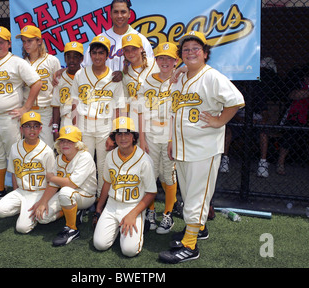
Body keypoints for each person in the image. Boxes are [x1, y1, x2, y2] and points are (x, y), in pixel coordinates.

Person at [159, 31, 245, 263]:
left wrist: (220, 121)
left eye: (196, 48)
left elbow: (236, 101)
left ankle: (190, 245)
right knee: (188, 193)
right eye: (186, 49)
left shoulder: (212, 77)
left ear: (205, 53)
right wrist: (171, 141)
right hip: (183, 148)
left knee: (197, 196)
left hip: (204, 149)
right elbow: (175, 112)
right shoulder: (181, 77)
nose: (190, 52)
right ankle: (200, 229)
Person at [0, 26, 42, 203]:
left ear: (9, 44)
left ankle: (19, 190)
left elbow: (36, 83)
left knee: (15, 153)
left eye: (1, 42)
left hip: (9, 116)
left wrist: (26, 108)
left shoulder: (17, 62)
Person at [51, 0, 154, 86]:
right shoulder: (101, 38)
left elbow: (150, 69)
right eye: (116, 12)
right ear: (110, 14)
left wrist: (123, 74)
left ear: (129, 14)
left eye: (123, 12)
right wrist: (64, 71)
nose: (119, 16)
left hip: (132, 92)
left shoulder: (141, 39)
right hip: (104, 93)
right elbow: (84, 67)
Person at [93, 117, 157, 257]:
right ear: (114, 138)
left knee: (129, 251)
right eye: (119, 134)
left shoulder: (144, 159)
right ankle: (118, 228)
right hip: (112, 205)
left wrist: (133, 214)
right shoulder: (110, 156)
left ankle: (139, 222)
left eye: (127, 133)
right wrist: (99, 209)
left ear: (134, 137)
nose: (123, 138)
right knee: (99, 244)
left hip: (133, 206)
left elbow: (151, 192)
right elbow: (107, 183)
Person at [71, 35, 125, 197]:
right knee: (84, 163)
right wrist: (75, 130)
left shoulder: (114, 77)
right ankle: (86, 197)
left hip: (105, 126)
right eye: (94, 53)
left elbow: (119, 109)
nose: (97, 56)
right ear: (90, 54)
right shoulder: (81, 74)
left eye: (101, 53)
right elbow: (74, 103)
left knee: (103, 165)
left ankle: (102, 198)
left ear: (107, 55)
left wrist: (114, 134)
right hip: (84, 125)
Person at [138, 42, 180, 234]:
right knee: (150, 174)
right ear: (156, 60)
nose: (165, 62)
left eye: (169, 59)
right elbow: (140, 111)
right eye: (161, 58)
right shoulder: (148, 81)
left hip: (171, 136)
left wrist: (173, 140)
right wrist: (142, 138)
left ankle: (168, 214)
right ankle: (151, 211)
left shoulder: (181, 79)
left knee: (168, 174)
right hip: (151, 135)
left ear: (175, 61)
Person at [0, 111, 56, 233]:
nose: (32, 130)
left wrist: (43, 201)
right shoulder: (15, 148)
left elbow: (52, 180)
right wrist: (15, 192)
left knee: (22, 228)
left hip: (38, 193)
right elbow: (14, 173)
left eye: (35, 126)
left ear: (40, 129)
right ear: (21, 129)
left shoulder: (47, 151)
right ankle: (23, 209)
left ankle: (29, 215)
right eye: (28, 126)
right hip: (21, 191)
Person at [34, 125, 97, 246]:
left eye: (70, 141)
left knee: (65, 192)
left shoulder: (84, 157)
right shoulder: (59, 159)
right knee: (42, 217)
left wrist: (52, 177)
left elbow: (72, 184)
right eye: (62, 141)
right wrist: (42, 202)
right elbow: (53, 184)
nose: (65, 144)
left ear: (78, 143)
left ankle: (72, 229)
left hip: (86, 196)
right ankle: (73, 211)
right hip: (68, 196)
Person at [16, 25, 61, 149]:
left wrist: (56, 113)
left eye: (29, 41)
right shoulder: (21, 63)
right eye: (24, 41)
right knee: (28, 146)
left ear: (39, 41)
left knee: (47, 147)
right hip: (27, 109)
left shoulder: (52, 60)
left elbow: (58, 88)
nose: (26, 44)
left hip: (45, 110)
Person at [121, 33, 159, 133]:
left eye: (134, 48)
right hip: (135, 121)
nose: (131, 53)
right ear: (123, 52)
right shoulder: (125, 73)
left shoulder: (155, 64)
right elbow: (125, 102)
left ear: (141, 48)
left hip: (156, 117)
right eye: (127, 50)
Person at [50, 42, 84, 140]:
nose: (71, 60)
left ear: (82, 59)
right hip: (66, 118)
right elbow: (56, 106)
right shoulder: (59, 79)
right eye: (68, 57)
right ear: (64, 58)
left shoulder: (86, 75)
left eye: (76, 57)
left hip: (83, 119)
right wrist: (55, 129)